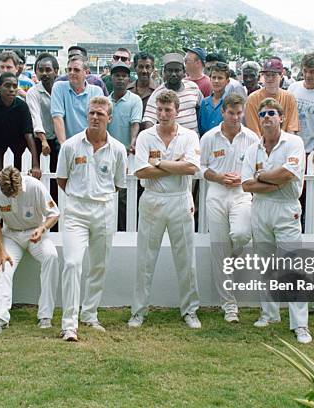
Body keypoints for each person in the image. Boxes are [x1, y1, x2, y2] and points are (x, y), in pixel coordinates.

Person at [56, 96, 127, 341]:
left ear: (110, 118)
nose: (95, 117)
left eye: (100, 114)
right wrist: (82, 196)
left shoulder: (117, 149)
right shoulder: (71, 146)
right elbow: (62, 180)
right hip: (76, 209)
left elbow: (118, 184)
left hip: (105, 209)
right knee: (73, 263)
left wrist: (98, 195)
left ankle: (90, 314)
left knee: (99, 265)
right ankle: (69, 323)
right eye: (92, 113)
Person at [129, 90, 201, 329]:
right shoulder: (145, 137)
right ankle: (138, 311)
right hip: (153, 199)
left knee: (186, 258)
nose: (163, 114)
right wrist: (175, 165)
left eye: (168, 109)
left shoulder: (189, 136)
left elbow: (191, 168)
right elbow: (140, 171)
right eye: (159, 109)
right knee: (145, 259)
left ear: (177, 111)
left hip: (180, 199)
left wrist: (158, 163)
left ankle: (190, 311)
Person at [241, 97, 311, 344]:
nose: (267, 117)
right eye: (263, 114)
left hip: (286, 209)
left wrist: (262, 177)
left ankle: (300, 324)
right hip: (261, 208)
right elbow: (246, 184)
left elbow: (287, 174)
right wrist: (270, 183)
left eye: (272, 113)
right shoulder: (253, 149)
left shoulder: (294, 143)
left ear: (281, 118)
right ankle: (269, 314)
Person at [201, 94, 259, 322]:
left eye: (239, 113)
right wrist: (218, 177)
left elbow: (257, 167)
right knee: (219, 248)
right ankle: (229, 305)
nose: (235, 117)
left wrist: (242, 179)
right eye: (231, 113)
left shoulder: (252, 137)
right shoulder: (209, 137)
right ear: (223, 112)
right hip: (216, 193)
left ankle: (232, 255)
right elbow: (201, 167)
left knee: (242, 234)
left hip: (241, 193)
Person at [0, 166, 60, 335]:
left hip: (35, 233)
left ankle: (45, 316)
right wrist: (1, 251)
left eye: (15, 192)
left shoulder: (35, 186)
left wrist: (42, 228)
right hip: (11, 235)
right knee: (4, 266)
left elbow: (54, 213)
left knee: (51, 257)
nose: (12, 196)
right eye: (8, 194)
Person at [0, 72, 41, 179]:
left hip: (19, 151)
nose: (12, 89)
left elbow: (29, 135)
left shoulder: (22, 105)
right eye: (7, 86)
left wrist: (35, 165)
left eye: (14, 86)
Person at [107, 62, 142, 231]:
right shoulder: (106, 102)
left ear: (129, 79)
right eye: (117, 76)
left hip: (128, 155)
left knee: (125, 197)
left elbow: (135, 123)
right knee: (109, 194)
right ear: (111, 78)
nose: (120, 79)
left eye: (124, 76)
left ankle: (125, 230)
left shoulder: (134, 100)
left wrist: (133, 142)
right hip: (108, 154)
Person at [51, 55, 104, 147]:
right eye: (69, 69)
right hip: (67, 143)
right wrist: (64, 146)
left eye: (76, 70)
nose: (72, 73)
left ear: (86, 73)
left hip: (90, 144)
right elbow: (57, 117)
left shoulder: (96, 91)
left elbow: (98, 120)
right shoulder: (58, 87)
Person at [142, 53, 203, 134]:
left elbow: (201, 110)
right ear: (164, 72)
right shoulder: (158, 93)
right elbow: (149, 119)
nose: (173, 74)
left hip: (191, 142)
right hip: (169, 142)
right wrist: (150, 137)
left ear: (184, 72)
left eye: (177, 70)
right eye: (170, 70)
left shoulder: (193, 87)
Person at [26, 54, 60, 193]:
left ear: (56, 71)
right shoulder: (33, 92)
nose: (44, 73)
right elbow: (35, 117)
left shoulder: (61, 89)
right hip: (40, 140)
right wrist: (43, 140)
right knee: (39, 179)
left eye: (48, 69)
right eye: (41, 70)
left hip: (60, 140)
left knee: (57, 177)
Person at [246, 58, 299, 136]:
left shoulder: (289, 98)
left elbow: (292, 129)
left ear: (281, 76)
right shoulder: (252, 99)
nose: (270, 79)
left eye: (273, 75)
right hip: (260, 144)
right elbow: (254, 132)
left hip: (285, 144)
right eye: (267, 75)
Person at [198, 62, 230, 136]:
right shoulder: (204, 102)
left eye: (220, 78)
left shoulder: (230, 102)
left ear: (227, 81)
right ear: (210, 79)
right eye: (214, 77)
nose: (216, 81)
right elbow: (200, 128)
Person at [128, 51, 157, 120]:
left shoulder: (158, 91)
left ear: (152, 68)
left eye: (147, 67)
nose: (144, 71)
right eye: (141, 67)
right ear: (135, 68)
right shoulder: (127, 91)